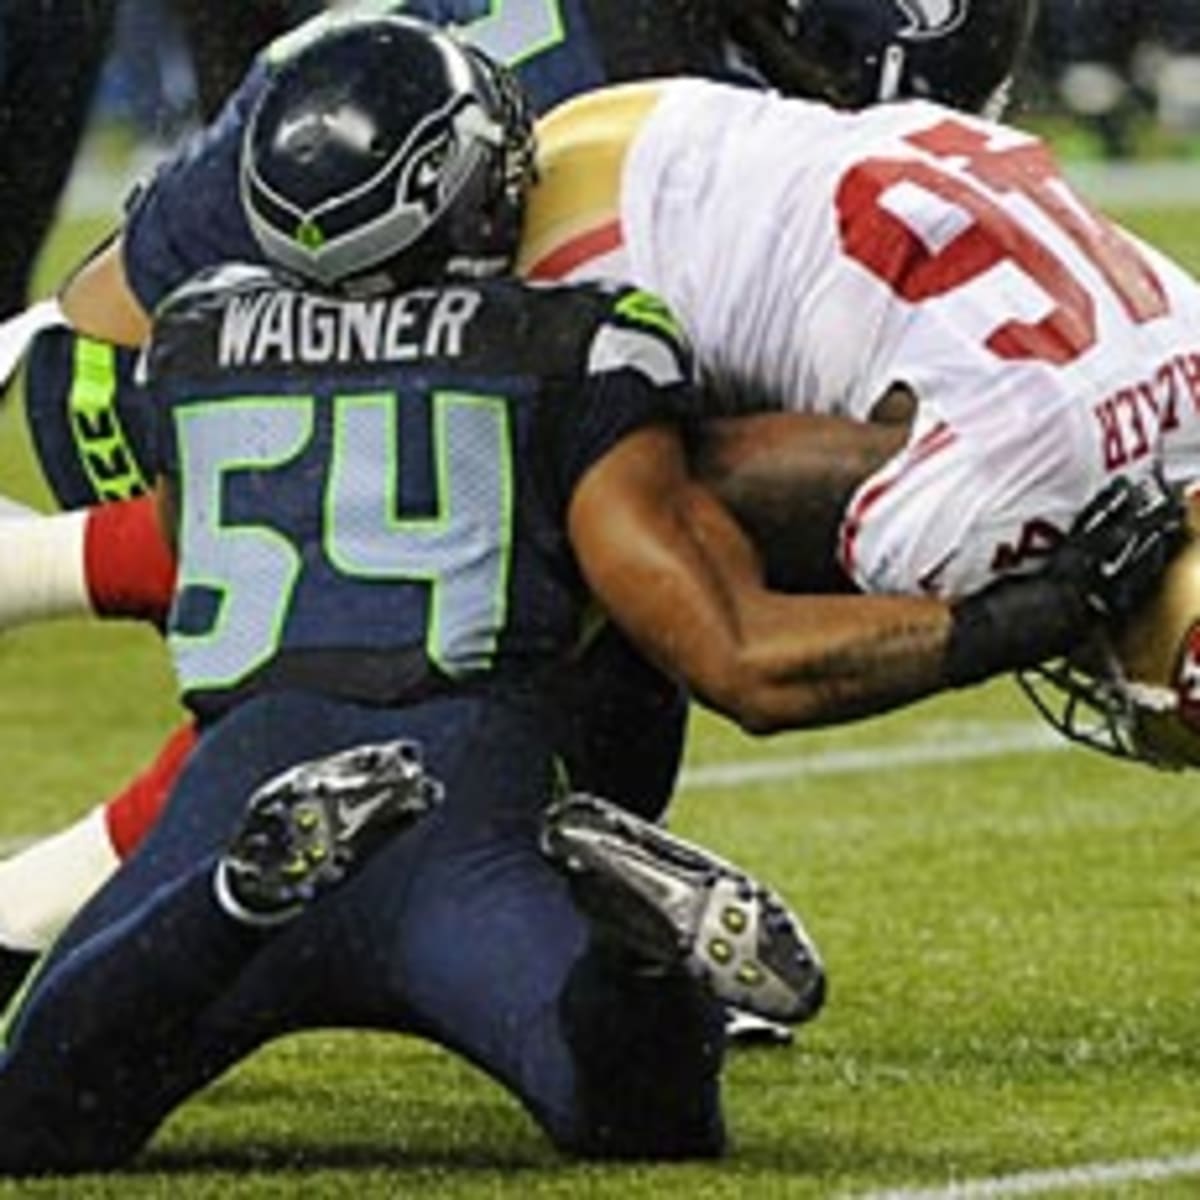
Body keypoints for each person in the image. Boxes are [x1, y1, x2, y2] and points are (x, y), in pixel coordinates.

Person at [0, 20, 1165, 1172]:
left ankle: (243, 892)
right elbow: (744, 657)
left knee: (45, 1102)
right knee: (636, 1115)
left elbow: (177, 523)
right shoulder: (575, 344)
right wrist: (1034, 610)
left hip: (251, 778)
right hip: (463, 837)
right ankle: (635, 950)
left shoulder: (205, 345)